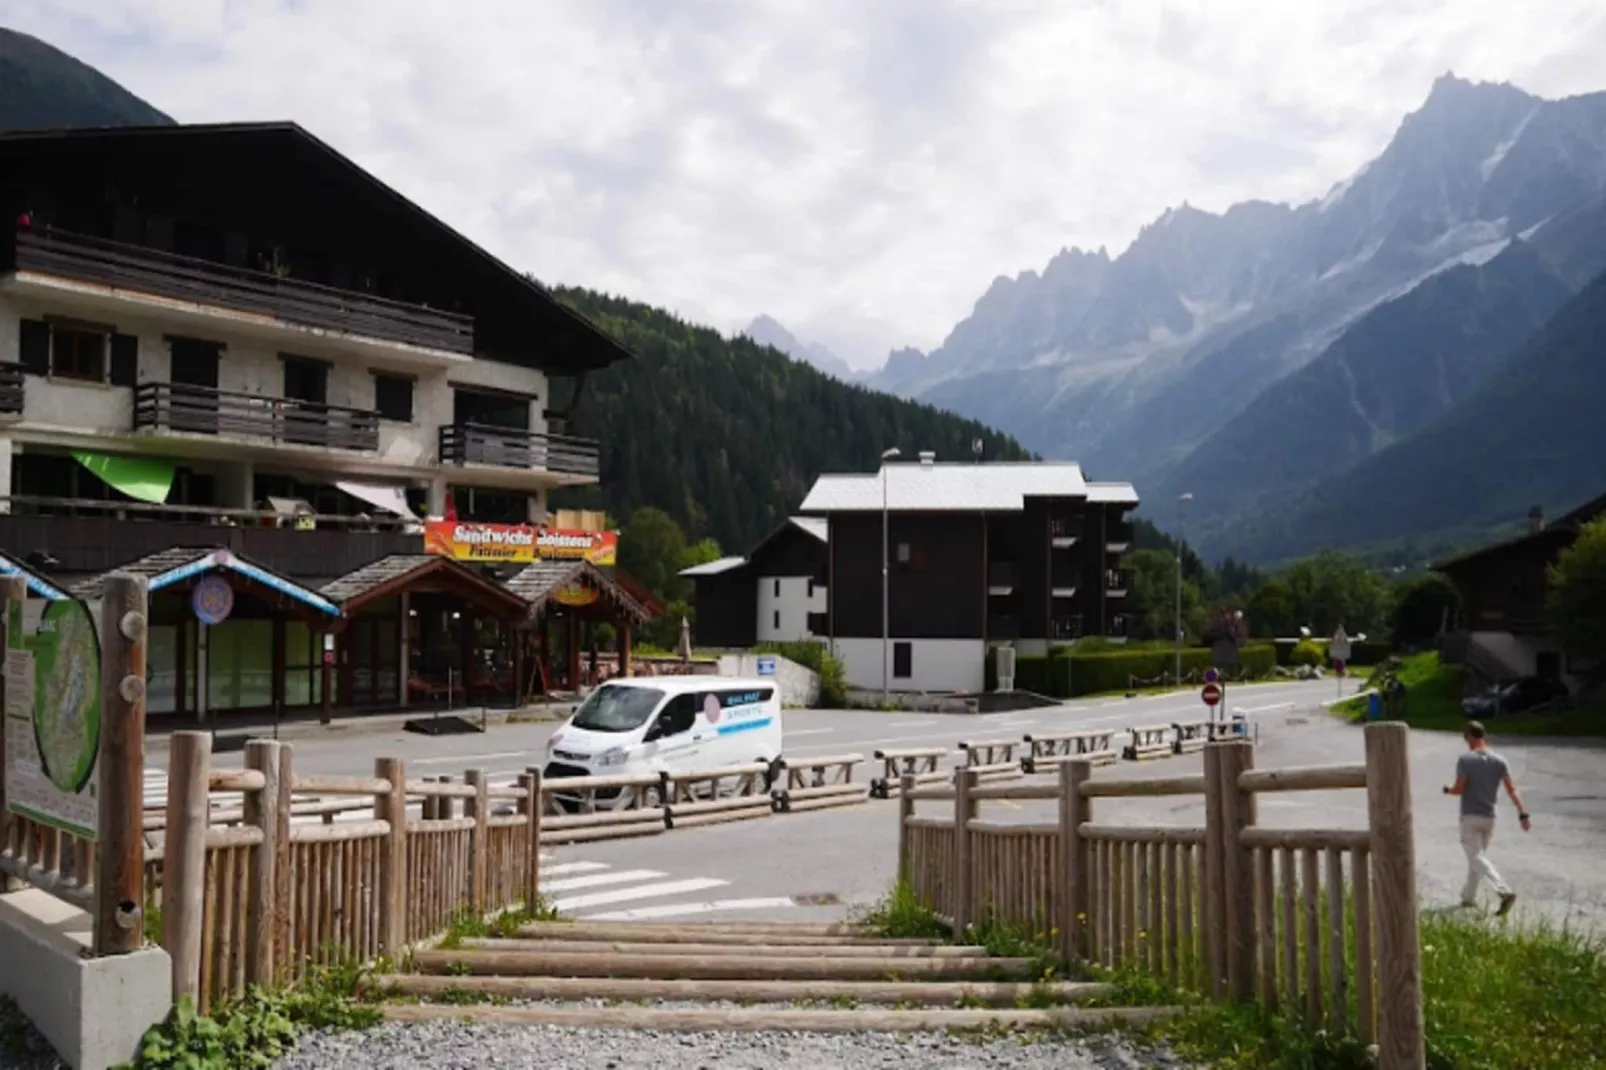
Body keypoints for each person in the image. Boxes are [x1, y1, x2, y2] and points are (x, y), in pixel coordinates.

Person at [1442, 720, 1530, 915]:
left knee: (1476, 857)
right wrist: (1522, 813)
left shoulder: (1466, 760)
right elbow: (1512, 789)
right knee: (1478, 858)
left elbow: (1460, 788)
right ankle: (1468, 897)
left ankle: (1504, 890)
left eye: (1465, 737)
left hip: (1470, 815)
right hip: (1490, 817)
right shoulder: (1500, 761)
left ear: (1470, 737)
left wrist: (1449, 790)